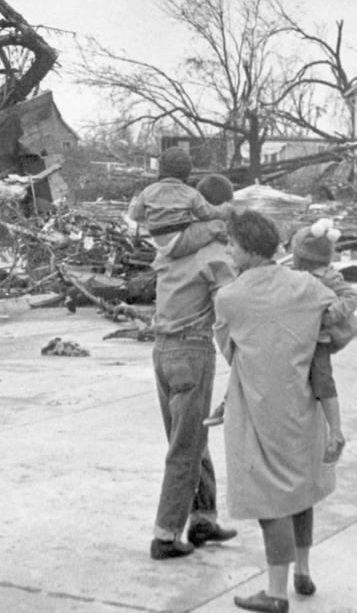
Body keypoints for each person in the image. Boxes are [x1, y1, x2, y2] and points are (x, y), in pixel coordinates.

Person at [214, 210, 356, 613]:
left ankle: (276, 593)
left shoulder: (230, 298)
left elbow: (229, 350)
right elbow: (342, 326)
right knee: (300, 489)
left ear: (247, 251)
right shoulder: (307, 287)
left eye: (232, 244)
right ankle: (302, 571)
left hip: (259, 409)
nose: (227, 250)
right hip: (302, 402)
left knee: (269, 499)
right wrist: (314, 345)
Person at [137, 165, 239, 561]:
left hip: (162, 352)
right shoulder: (215, 254)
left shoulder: (168, 249)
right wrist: (241, 360)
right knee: (186, 447)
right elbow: (228, 313)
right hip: (192, 353)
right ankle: (165, 535)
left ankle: (202, 517)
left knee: (191, 439)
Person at [287, 218, 357, 464]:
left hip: (319, 340)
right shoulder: (294, 275)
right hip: (297, 337)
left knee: (323, 382)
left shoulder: (329, 277)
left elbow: (352, 297)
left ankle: (336, 432)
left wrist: (331, 315)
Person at [126, 147, 225, 254]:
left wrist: (134, 203)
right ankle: (228, 250)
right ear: (187, 171)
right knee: (218, 224)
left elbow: (134, 215)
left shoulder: (148, 191)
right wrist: (224, 209)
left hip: (158, 243)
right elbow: (207, 214)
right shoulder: (190, 193)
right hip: (179, 243)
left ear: (160, 169)